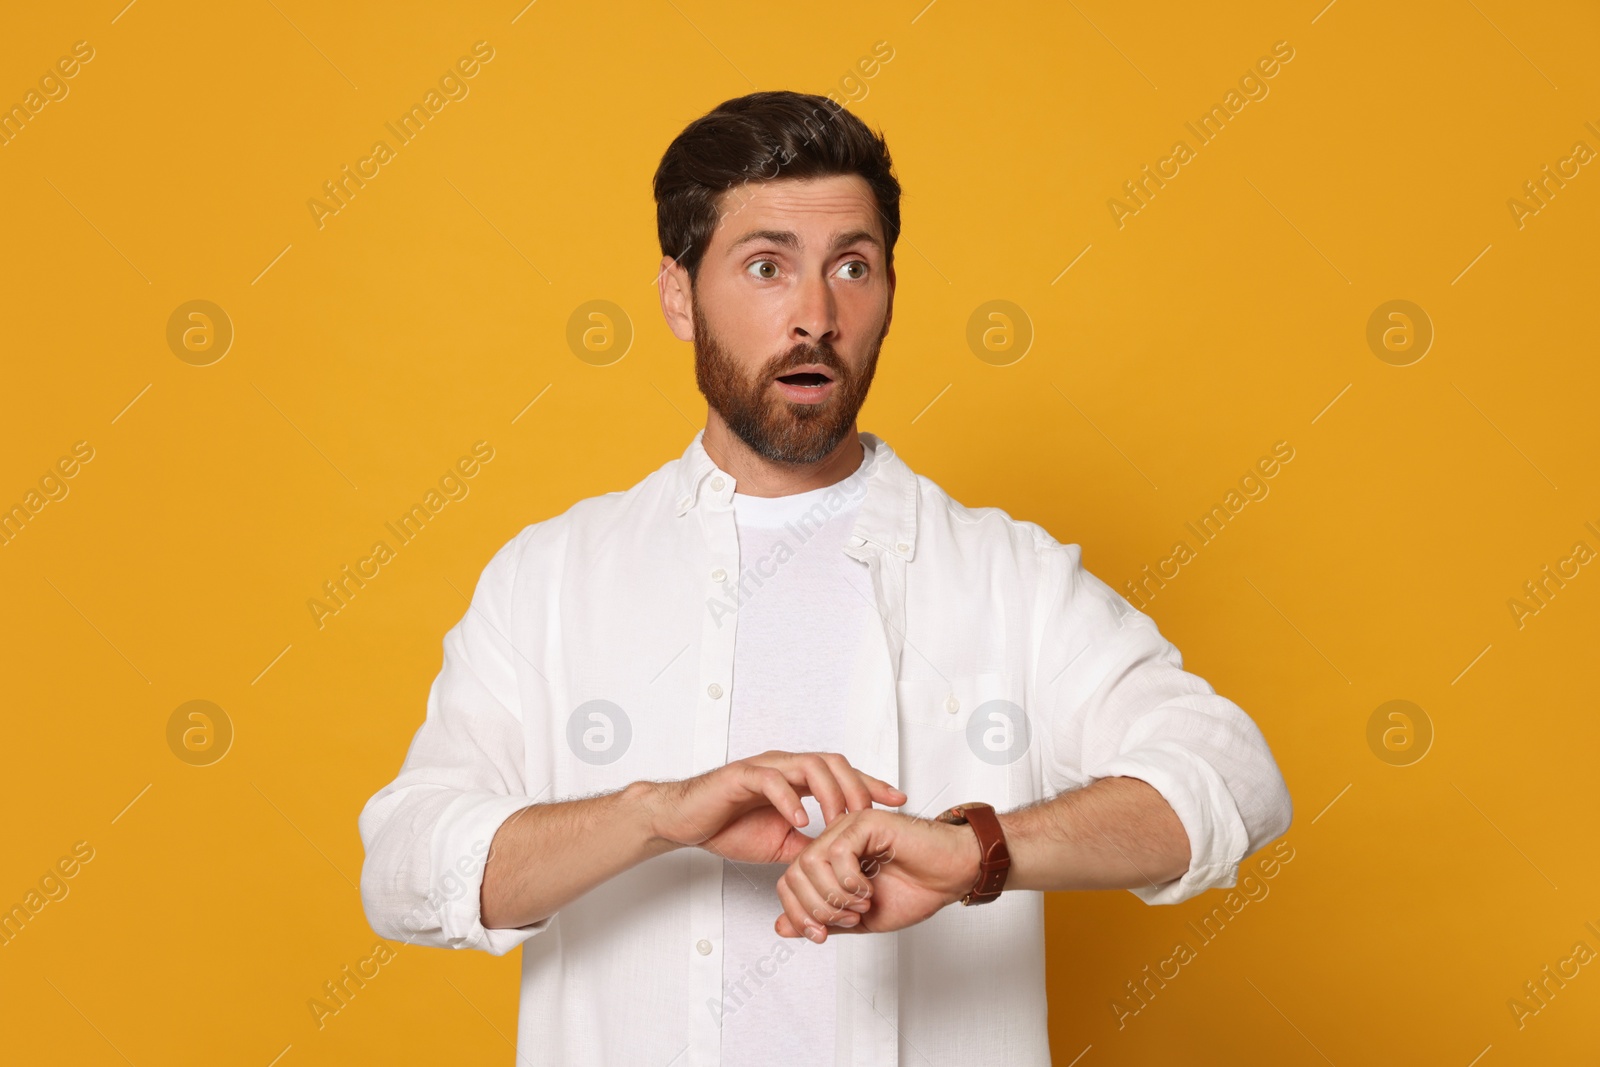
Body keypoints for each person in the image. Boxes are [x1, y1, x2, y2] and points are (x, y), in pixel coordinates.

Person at [358, 89, 1292, 1066]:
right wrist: (653, 813)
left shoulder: (1007, 578)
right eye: (766, 266)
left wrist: (976, 849)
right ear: (679, 295)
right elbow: (405, 867)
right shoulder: (549, 579)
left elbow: (1233, 775)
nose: (815, 315)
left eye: (852, 266)